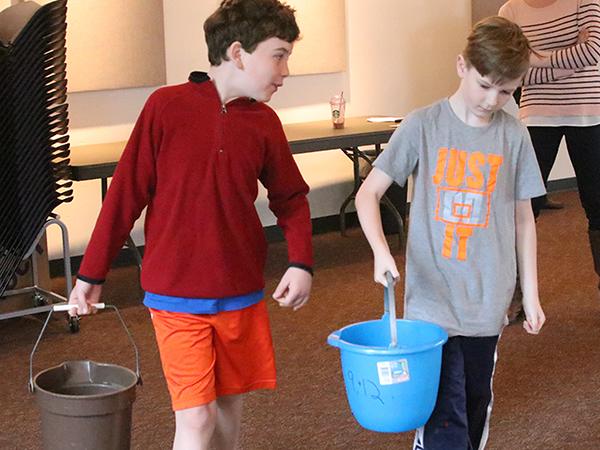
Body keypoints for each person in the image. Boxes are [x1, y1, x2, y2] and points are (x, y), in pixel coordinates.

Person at [67, 1, 314, 448]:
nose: (285, 71)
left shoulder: (265, 123)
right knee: (197, 418)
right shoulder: (165, 107)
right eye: (278, 56)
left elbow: (291, 198)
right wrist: (91, 273)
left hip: (239, 290)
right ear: (238, 53)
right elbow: (125, 194)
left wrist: (301, 262)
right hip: (175, 294)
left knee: (227, 412)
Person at [355, 16, 546, 450]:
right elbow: (369, 194)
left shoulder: (514, 135)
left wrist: (531, 295)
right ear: (462, 66)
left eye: (506, 91)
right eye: (485, 85)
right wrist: (381, 252)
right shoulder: (423, 126)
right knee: (443, 412)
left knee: (475, 402)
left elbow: (524, 220)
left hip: (488, 299)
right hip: (431, 299)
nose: (492, 100)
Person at [499, 0, 600, 293]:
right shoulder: (510, 11)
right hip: (536, 114)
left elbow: (593, 50)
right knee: (523, 204)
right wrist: (571, 61)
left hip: (589, 112)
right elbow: (513, 73)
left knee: (597, 203)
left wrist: (536, 59)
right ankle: (514, 293)